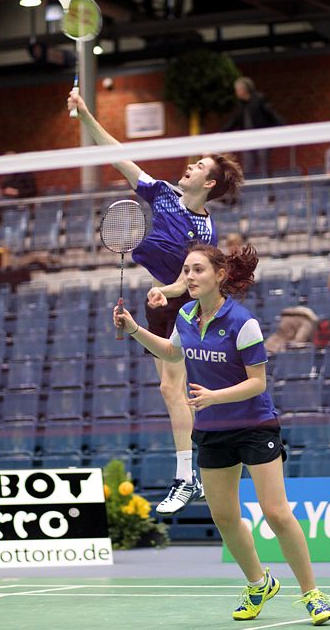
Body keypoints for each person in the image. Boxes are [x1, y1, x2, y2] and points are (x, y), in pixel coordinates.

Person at [113, 243, 330, 626]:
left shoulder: (242, 322)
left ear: (220, 275)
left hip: (254, 425)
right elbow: (170, 354)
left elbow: (257, 383)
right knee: (225, 517)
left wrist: (215, 396)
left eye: (197, 270)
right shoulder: (184, 314)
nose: (189, 277)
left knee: (276, 512)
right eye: (185, 271)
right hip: (213, 431)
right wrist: (134, 329)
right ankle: (258, 582)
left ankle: (312, 593)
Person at [67, 89, 243, 516]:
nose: (189, 167)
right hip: (158, 300)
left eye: (199, 166)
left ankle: (187, 475)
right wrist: (86, 115)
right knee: (169, 391)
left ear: (210, 183)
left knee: (172, 386)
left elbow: (194, 279)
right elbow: (118, 155)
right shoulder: (161, 192)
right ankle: (191, 473)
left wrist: (171, 292)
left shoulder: (204, 231)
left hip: (188, 303)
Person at [223, 77, 284, 178]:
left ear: (244, 90)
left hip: (262, 138)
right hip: (247, 140)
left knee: (264, 165)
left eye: (237, 90)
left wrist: (282, 126)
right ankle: (251, 191)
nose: (236, 93)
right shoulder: (241, 106)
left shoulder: (259, 100)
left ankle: (267, 191)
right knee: (248, 167)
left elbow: (272, 114)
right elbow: (233, 121)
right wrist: (222, 133)